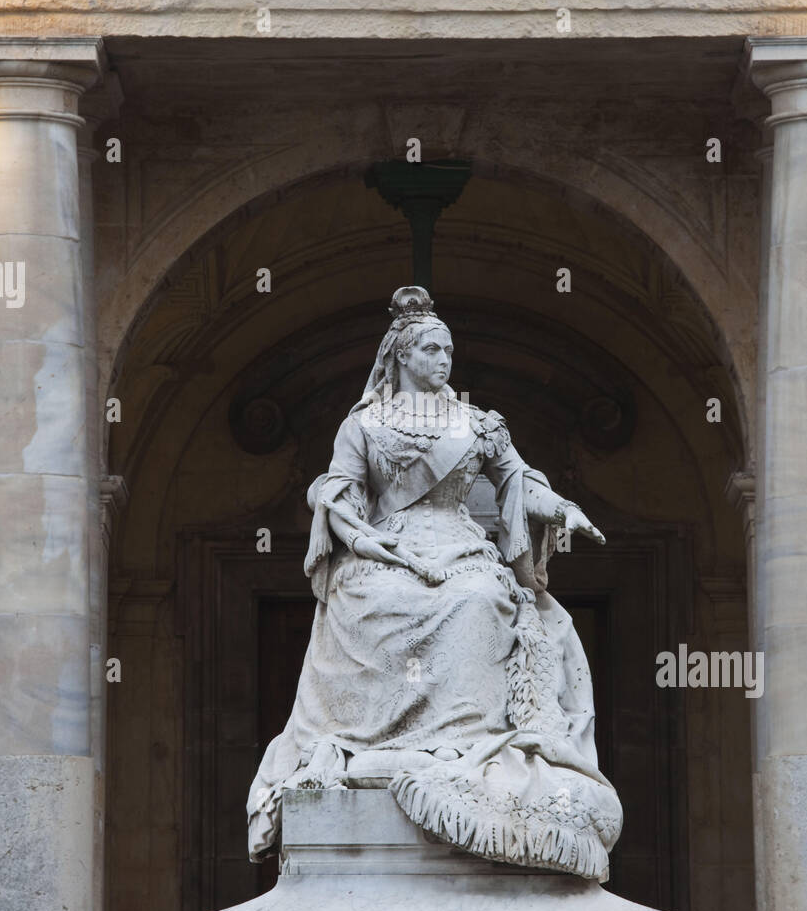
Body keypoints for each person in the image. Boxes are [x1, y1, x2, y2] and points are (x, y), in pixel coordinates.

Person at [247, 286, 623, 878]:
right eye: (429, 348)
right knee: (367, 598)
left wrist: (559, 509)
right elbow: (341, 488)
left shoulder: (477, 424)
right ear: (401, 355)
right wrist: (345, 515)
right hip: (390, 548)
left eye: (447, 349)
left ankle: (463, 742)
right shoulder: (364, 425)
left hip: (460, 544)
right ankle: (380, 742)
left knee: (477, 599)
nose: (443, 359)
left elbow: (516, 480)